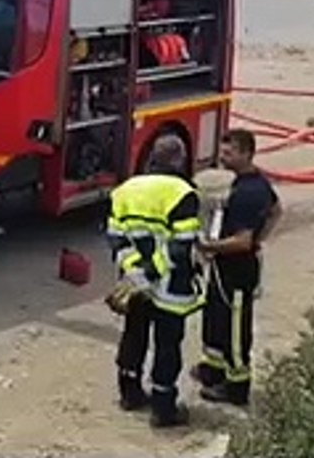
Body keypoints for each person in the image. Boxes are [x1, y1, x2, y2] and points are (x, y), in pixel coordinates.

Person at [106, 133, 206, 428]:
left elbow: (116, 239)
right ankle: (164, 408)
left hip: (134, 284)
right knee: (167, 344)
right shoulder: (183, 193)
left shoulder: (124, 191)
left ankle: (129, 394)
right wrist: (152, 273)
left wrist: (135, 273)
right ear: (180, 160)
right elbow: (180, 246)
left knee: (133, 335)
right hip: (171, 287)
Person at [192, 128, 281, 407]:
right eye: (222, 151)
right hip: (224, 268)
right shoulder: (250, 183)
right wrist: (260, 238)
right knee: (215, 319)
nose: (222, 157)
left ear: (246, 153)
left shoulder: (248, 193)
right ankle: (213, 369)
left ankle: (236, 387)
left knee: (235, 331)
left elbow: (242, 241)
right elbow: (276, 211)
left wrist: (209, 247)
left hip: (237, 271)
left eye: (229, 153)